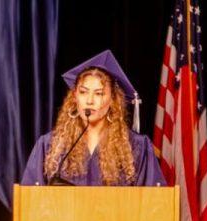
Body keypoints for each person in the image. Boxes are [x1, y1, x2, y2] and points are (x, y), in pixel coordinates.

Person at [19, 51, 167, 187]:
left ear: (113, 100)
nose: (89, 101)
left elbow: (154, 203)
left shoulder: (136, 147)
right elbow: (31, 198)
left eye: (99, 93)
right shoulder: (49, 146)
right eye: (83, 92)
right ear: (75, 97)